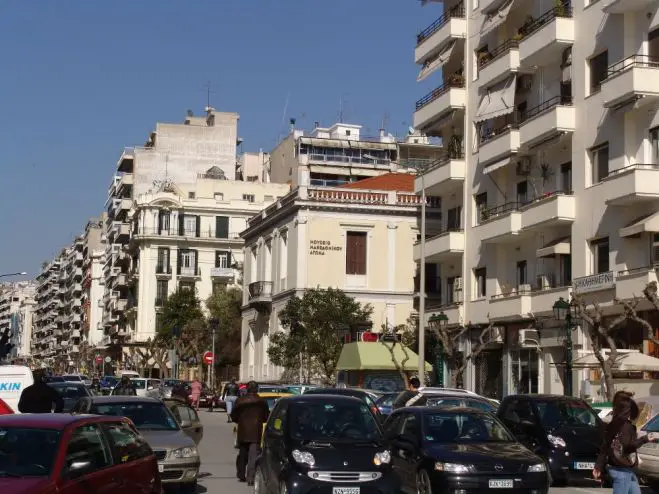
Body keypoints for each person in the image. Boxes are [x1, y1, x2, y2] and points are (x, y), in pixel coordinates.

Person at [594, 390, 658, 494]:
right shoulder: (627, 427)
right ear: (629, 410)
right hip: (622, 471)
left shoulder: (612, 425)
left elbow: (604, 447)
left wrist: (598, 466)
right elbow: (629, 447)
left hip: (622, 470)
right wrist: (645, 439)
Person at [231, 380, 269, 486]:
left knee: (242, 454)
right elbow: (266, 417)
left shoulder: (240, 401)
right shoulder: (262, 402)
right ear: (256, 389)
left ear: (247, 388)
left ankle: (241, 474)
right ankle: (251, 477)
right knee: (254, 454)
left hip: (243, 431)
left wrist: (240, 420)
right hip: (256, 431)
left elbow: (233, 416)